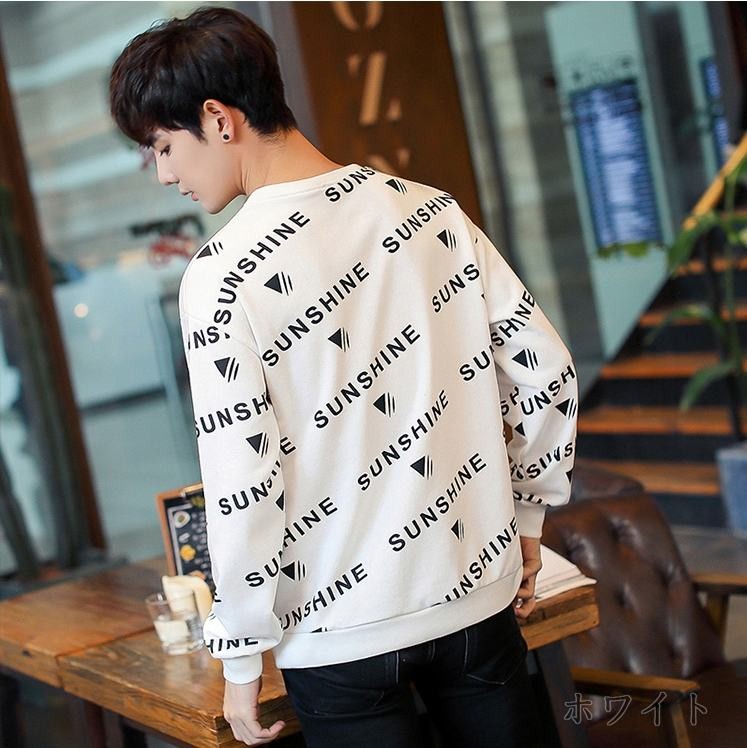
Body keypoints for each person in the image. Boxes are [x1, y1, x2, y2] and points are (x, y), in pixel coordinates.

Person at [110, 7, 578, 747]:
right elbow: (545, 373)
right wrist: (526, 520)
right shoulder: (432, 213)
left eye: (164, 147)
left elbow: (243, 480)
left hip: (337, 637)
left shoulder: (222, 277)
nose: (166, 174)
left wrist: (240, 653)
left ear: (219, 119)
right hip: (475, 600)